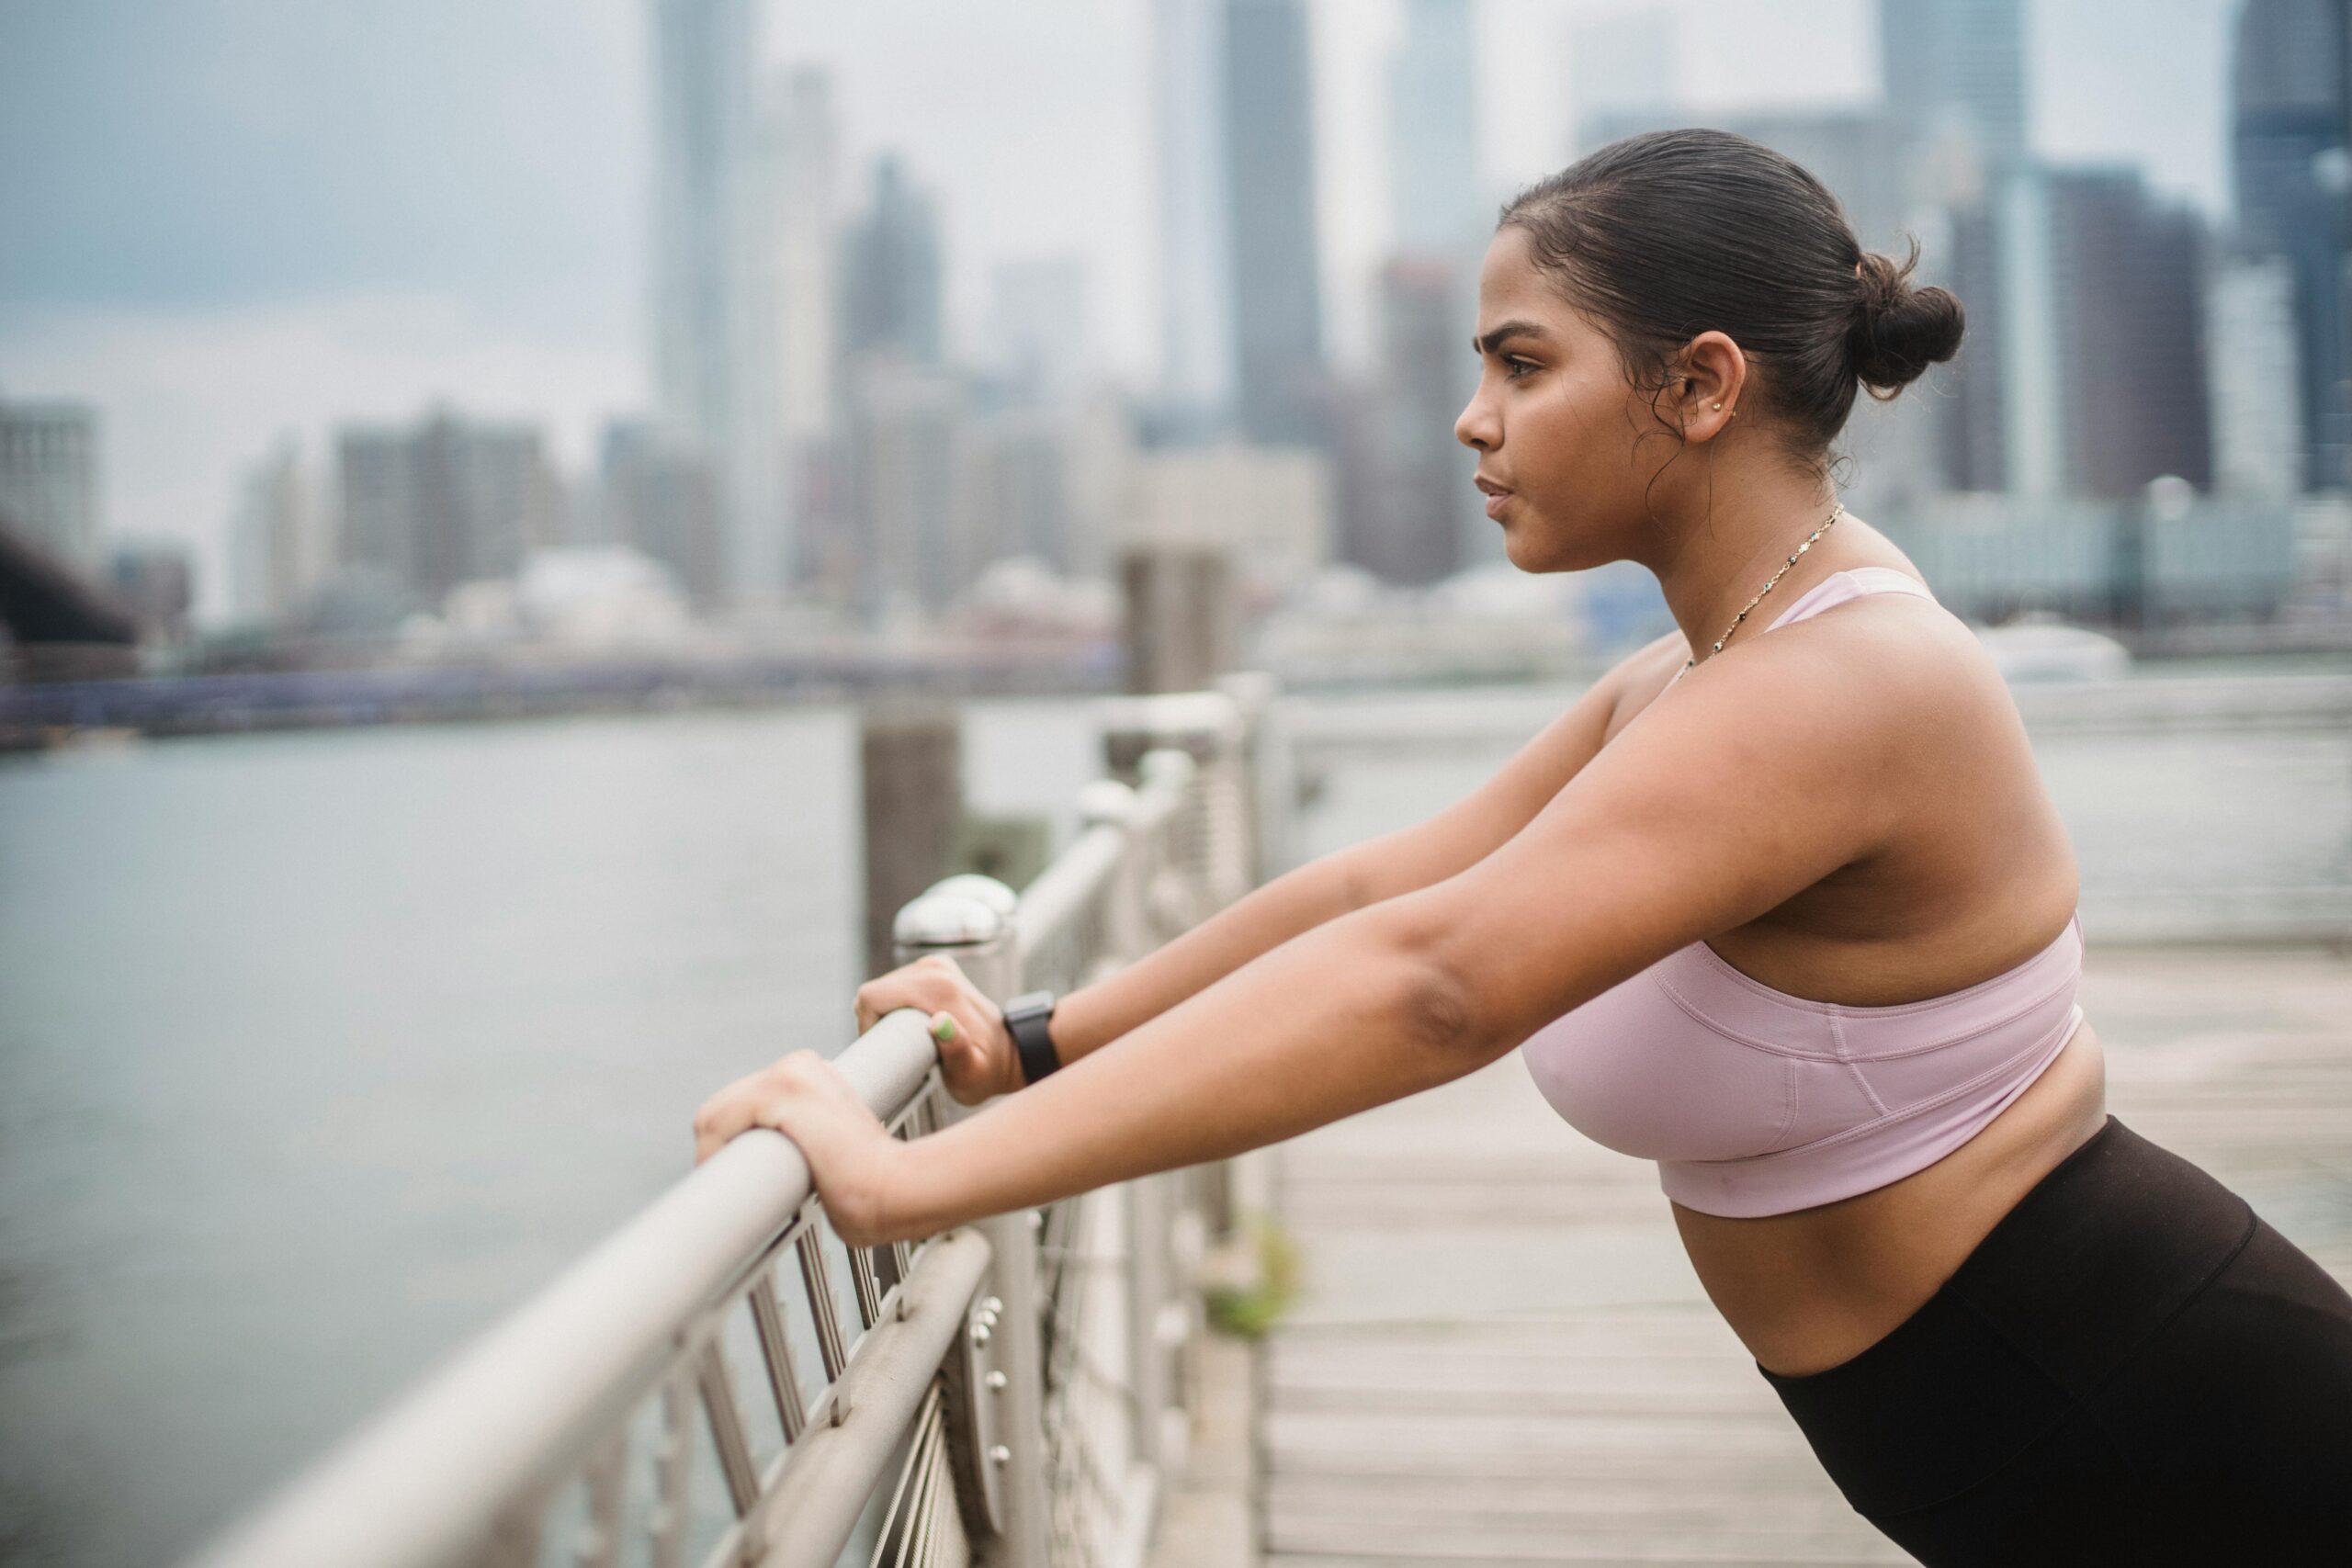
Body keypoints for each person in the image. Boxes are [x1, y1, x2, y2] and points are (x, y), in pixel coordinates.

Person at [692, 130, 2352, 1564]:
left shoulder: (1847, 684)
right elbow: (1385, 886)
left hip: (2148, 1399)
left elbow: (1435, 987)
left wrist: (906, 1180)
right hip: (2021, 1429)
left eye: (1523, 364)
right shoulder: (1701, 676)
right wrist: (1032, 1042)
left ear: (1699, 384)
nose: (1474, 422)